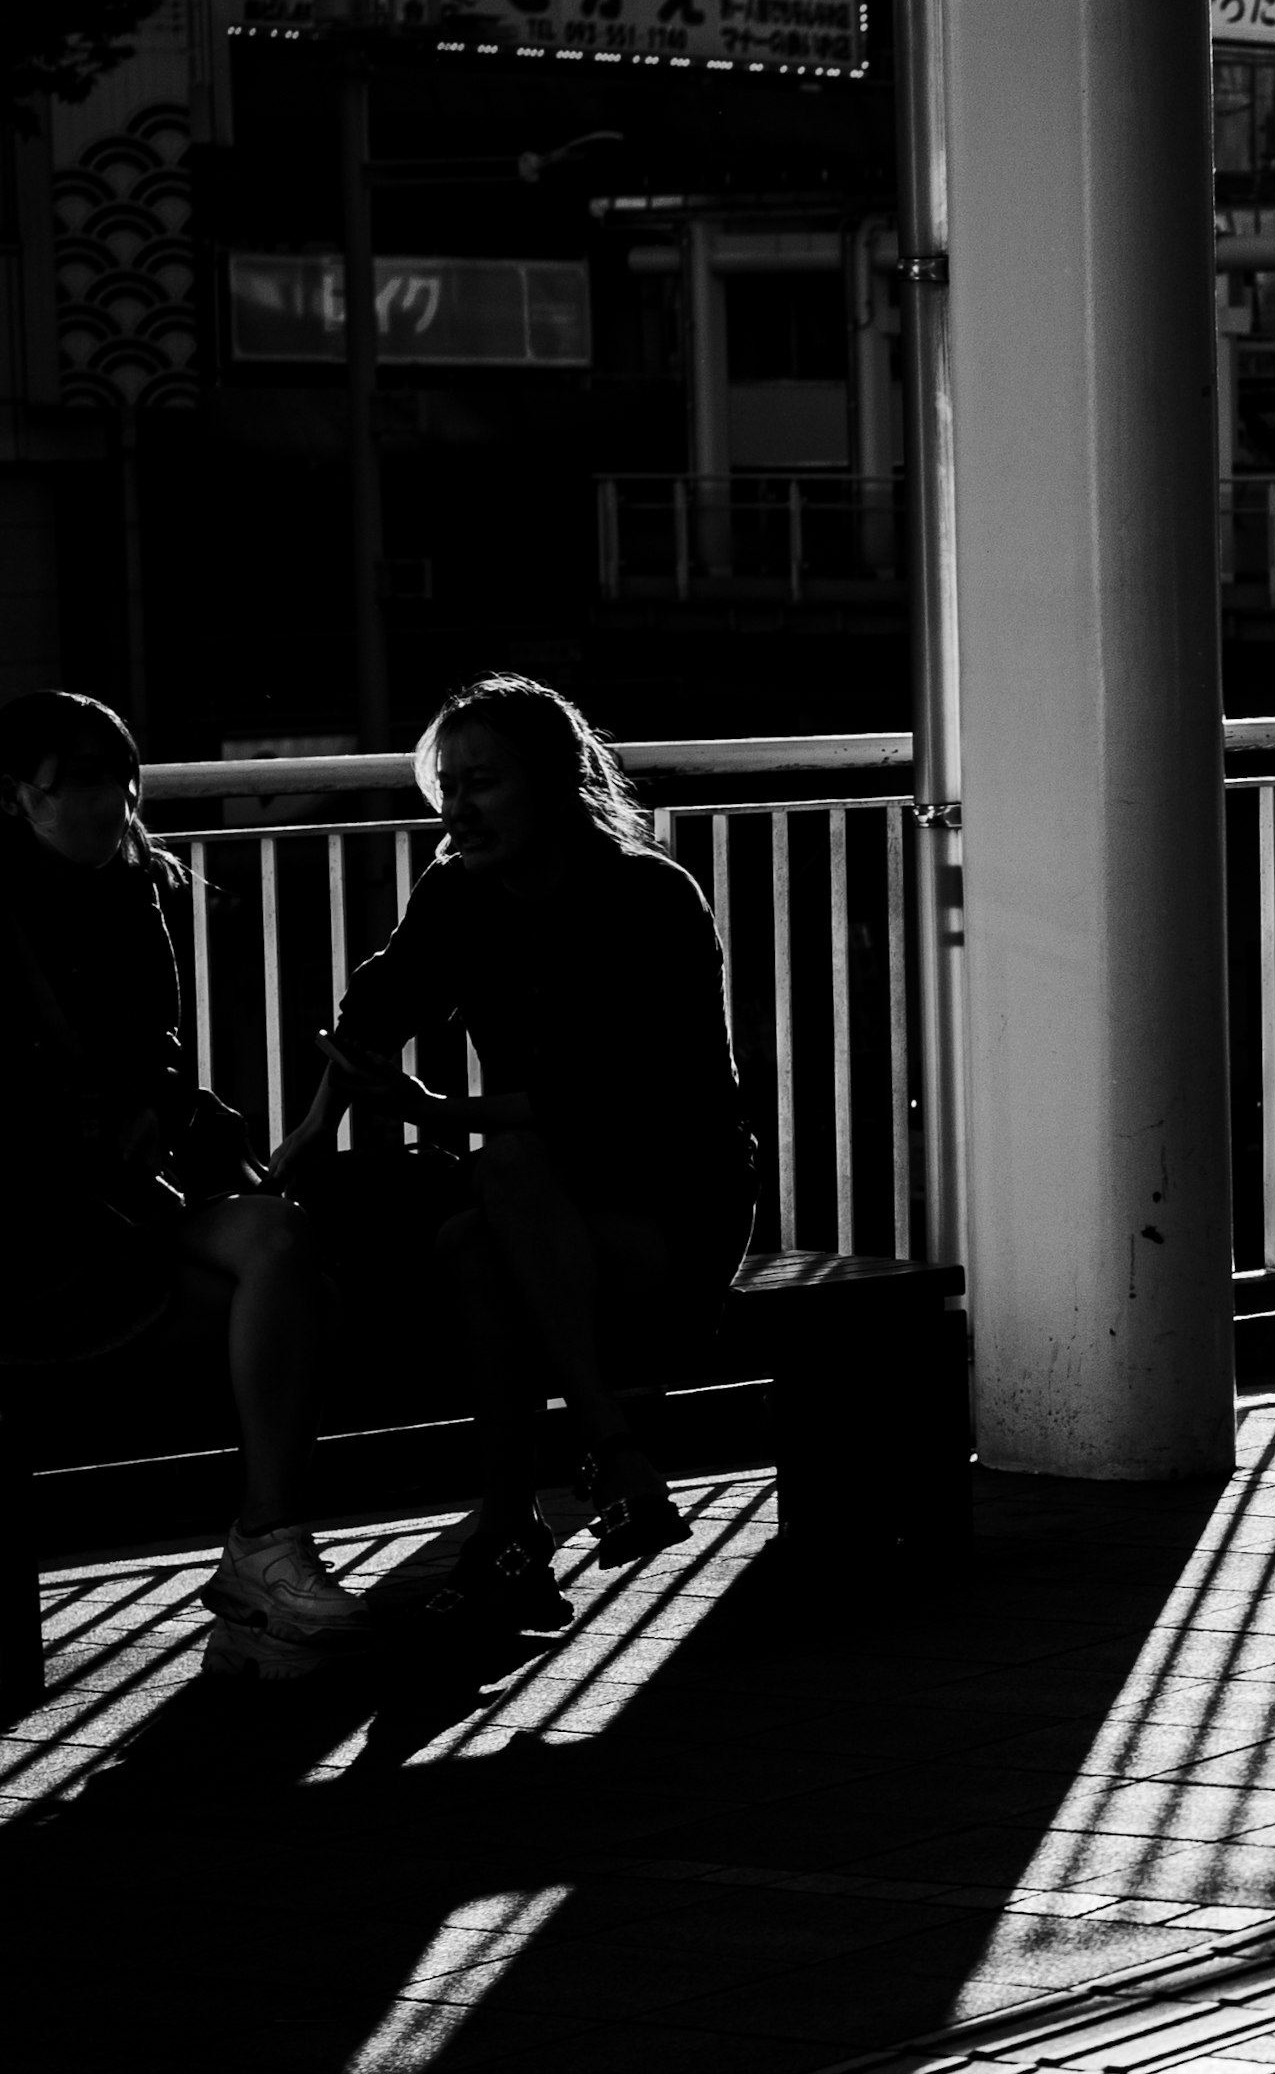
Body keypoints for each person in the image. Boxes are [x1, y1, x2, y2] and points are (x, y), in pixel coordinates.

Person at [298, 676, 754, 1629]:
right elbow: (384, 998)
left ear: (554, 783)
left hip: (670, 1204)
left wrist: (439, 1114)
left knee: (497, 1187)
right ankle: (583, 1470)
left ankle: (525, 1519)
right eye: (448, 787)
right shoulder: (458, 891)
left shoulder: (648, 896)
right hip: (538, 1203)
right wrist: (344, 1076)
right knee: (481, 1228)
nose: (459, 810)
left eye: (484, 784)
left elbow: (615, 1102)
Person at [2, 687, 371, 1672]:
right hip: (38, 1245)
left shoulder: (128, 894)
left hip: (123, 1212)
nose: (115, 801)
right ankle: (261, 1574)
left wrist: (183, 1130)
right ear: (14, 798)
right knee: (306, 1302)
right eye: (81, 778)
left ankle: (268, 1543)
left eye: (124, 777)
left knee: (285, 1248)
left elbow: (154, 1069)